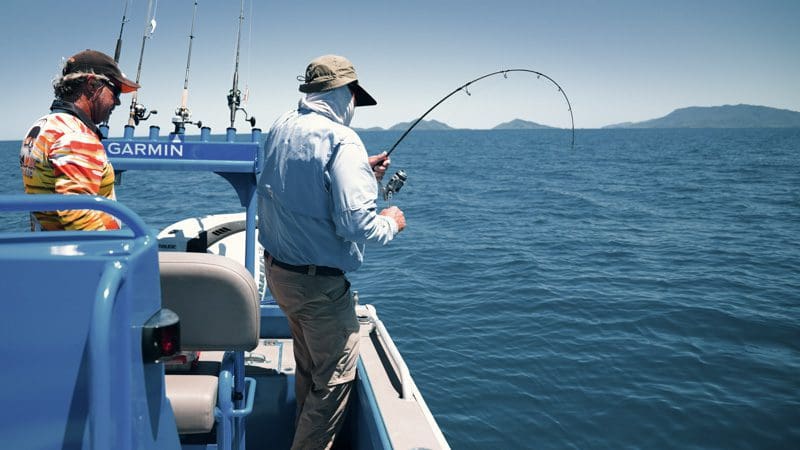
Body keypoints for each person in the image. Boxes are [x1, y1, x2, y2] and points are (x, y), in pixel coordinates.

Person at [256, 54, 406, 448]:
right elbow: (357, 225)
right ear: (345, 93)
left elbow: (302, 188)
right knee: (333, 382)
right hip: (317, 288)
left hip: (279, 275)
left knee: (308, 368)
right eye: (355, 95)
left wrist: (363, 176)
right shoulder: (343, 141)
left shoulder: (281, 126)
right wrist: (391, 221)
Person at [19, 49, 139, 231]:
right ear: (92, 85)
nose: (117, 102)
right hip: (83, 254)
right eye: (115, 91)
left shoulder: (44, 125)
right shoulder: (77, 135)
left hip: (45, 243)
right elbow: (78, 214)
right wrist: (109, 252)